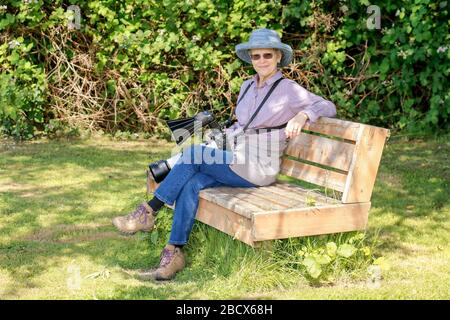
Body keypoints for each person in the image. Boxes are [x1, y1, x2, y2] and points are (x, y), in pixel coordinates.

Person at [111, 28, 337, 281]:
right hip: (237, 158)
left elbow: (327, 105)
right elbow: (243, 124)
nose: (261, 61)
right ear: (250, 59)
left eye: (267, 56)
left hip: (257, 167)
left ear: (277, 58)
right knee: (192, 183)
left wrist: (303, 114)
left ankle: (149, 211)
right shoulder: (247, 86)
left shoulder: (288, 90)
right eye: (256, 56)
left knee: (195, 154)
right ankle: (174, 253)